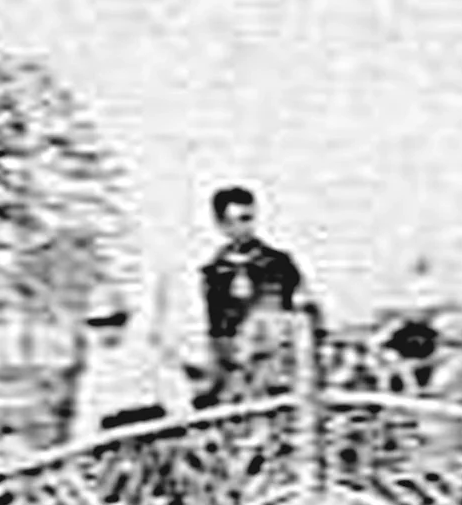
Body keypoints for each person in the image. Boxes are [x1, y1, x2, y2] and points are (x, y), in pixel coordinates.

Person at [199, 185, 308, 395]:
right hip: (234, 365)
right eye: (232, 221)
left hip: (274, 361)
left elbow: (298, 308)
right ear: (220, 225)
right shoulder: (214, 272)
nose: (241, 228)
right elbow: (215, 327)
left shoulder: (279, 263)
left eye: (246, 219)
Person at [67, 295, 193, 439]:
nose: (107, 330)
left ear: (125, 322)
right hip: (116, 436)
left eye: (114, 322)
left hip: (155, 428)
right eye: (98, 324)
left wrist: (182, 424)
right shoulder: (93, 372)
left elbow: (176, 395)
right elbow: (86, 416)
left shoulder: (150, 355)